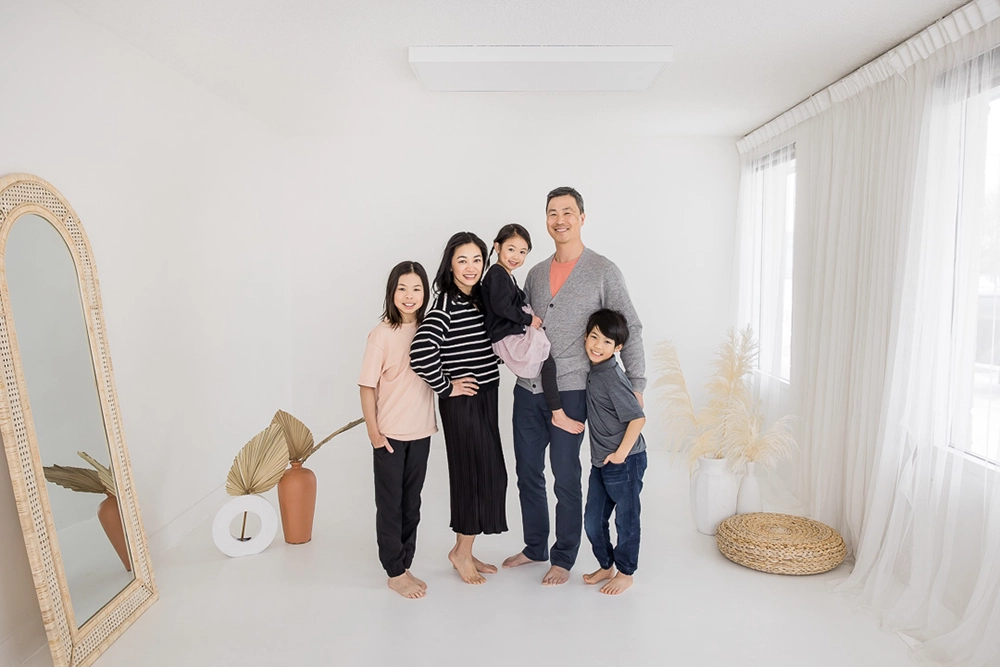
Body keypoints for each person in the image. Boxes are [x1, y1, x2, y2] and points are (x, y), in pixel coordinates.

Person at [503, 186, 645, 586]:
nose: (559, 219)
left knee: (565, 475)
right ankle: (535, 546)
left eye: (567, 211)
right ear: (545, 220)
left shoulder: (603, 270)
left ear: (582, 217)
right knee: (527, 472)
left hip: (571, 392)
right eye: (552, 212)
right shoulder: (533, 273)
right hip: (526, 390)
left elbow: (630, 326)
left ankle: (563, 556)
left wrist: (636, 382)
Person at [409, 232, 507, 585]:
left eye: (477, 260)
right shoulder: (445, 305)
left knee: (490, 474)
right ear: (450, 264)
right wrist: (447, 387)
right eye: (462, 260)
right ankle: (460, 553)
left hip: (487, 397)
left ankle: (465, 547)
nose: (471, 267)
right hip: (462, 404)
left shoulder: (480, 299)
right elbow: (420, 354)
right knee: (472, 478)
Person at [358, 261, 437, 599]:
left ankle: (405, 564)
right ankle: (394, 571)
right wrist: (374, 432)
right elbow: (366, 386)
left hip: (421, 432)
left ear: (425, 293)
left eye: (416, 288)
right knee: (390, 505)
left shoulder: (429, 329)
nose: (409, 295)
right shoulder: (382, 335)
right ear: (392, 292)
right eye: (402, 288)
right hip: (389, 435)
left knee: (411, 504)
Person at [480, 223, 584, 434]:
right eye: (511, 249)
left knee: (545, 358)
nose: (516, 256)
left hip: (508, 333)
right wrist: (528, 319)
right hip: (506, 336)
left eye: (522, 252)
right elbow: (502, 307)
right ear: (497, 247)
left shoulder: (505, 274)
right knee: (547, 360)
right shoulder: (497, 274)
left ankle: (555, 410)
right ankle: (558, 413)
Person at [580, 309, 647, 595]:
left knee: (626, 518)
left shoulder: (611, 376)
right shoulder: (596, 370)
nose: (598, 346)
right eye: (594, 337)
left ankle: (625, 573)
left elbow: (638, 418)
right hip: (602, 461)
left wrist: (620, 454)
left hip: (625, 460)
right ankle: (606, 565)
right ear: (585, 337)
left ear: (618, 348)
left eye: (607, 342)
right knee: (593, 519)